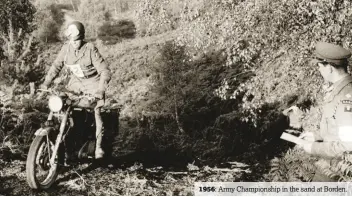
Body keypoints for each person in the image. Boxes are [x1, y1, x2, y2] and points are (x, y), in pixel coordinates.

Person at [40, 21, 111, 160]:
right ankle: (66, 142)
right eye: (72, 40)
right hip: (75, 83)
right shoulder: (66, 48)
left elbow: (105, 71)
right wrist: (46, 83)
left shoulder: (90, 49)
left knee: (96, 111)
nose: (74, 43)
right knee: (61, 105)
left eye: (77, 40)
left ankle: (98, 147)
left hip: (92, 83)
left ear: (82, 37)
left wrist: (100, 90)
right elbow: (56, 66)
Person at [297, 42, 352, 181]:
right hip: (331, 168)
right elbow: (337, 127)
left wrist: (314, 148)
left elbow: (348, 146)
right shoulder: (338, 90)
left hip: (339, 173)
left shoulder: (345, 97)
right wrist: (317, 135)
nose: (319, 70)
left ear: (330, 68)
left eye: (320, 66)